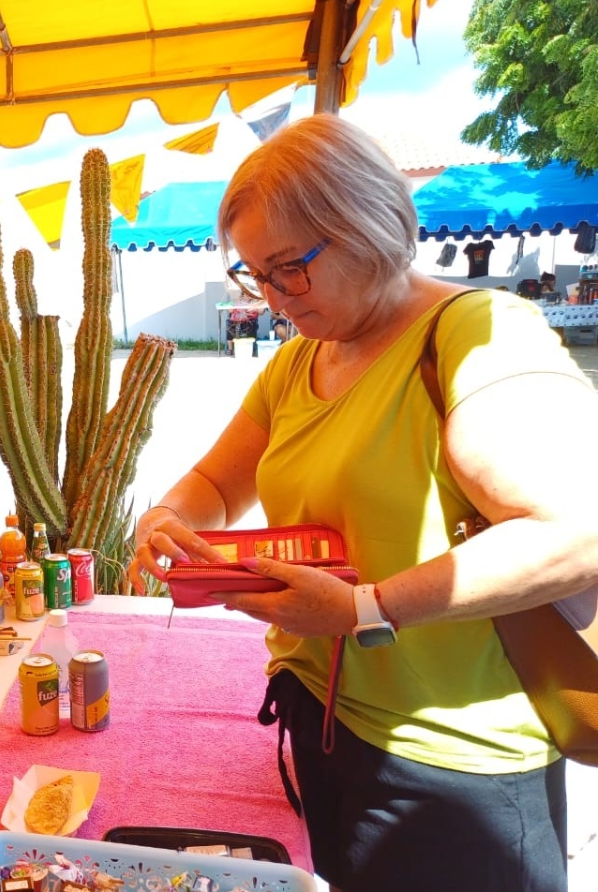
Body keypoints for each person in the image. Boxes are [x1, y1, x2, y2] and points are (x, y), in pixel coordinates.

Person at [130, 114, 598, 892]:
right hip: (325, 716)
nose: (275, 298)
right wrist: (168, 518)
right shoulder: (299, 361)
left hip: (451, 761)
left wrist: (365, 608)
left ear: (368, 226)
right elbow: (215, 485)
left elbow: (574, 532)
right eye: (256, 274)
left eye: (290, 268)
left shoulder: (479, 334)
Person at [225, 287, 262, 354]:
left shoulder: (255, 302)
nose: (248, 295)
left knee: (252, 326)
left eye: (250, 294)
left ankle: (251, 348)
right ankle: (230, 349)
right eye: (246, 293)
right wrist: (235, 306)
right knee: (230, 325)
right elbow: (230, 310)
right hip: (236, 321)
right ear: (243, 294)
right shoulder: (238, 301)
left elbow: (261, 312)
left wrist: (255, 307)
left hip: (250, 321)